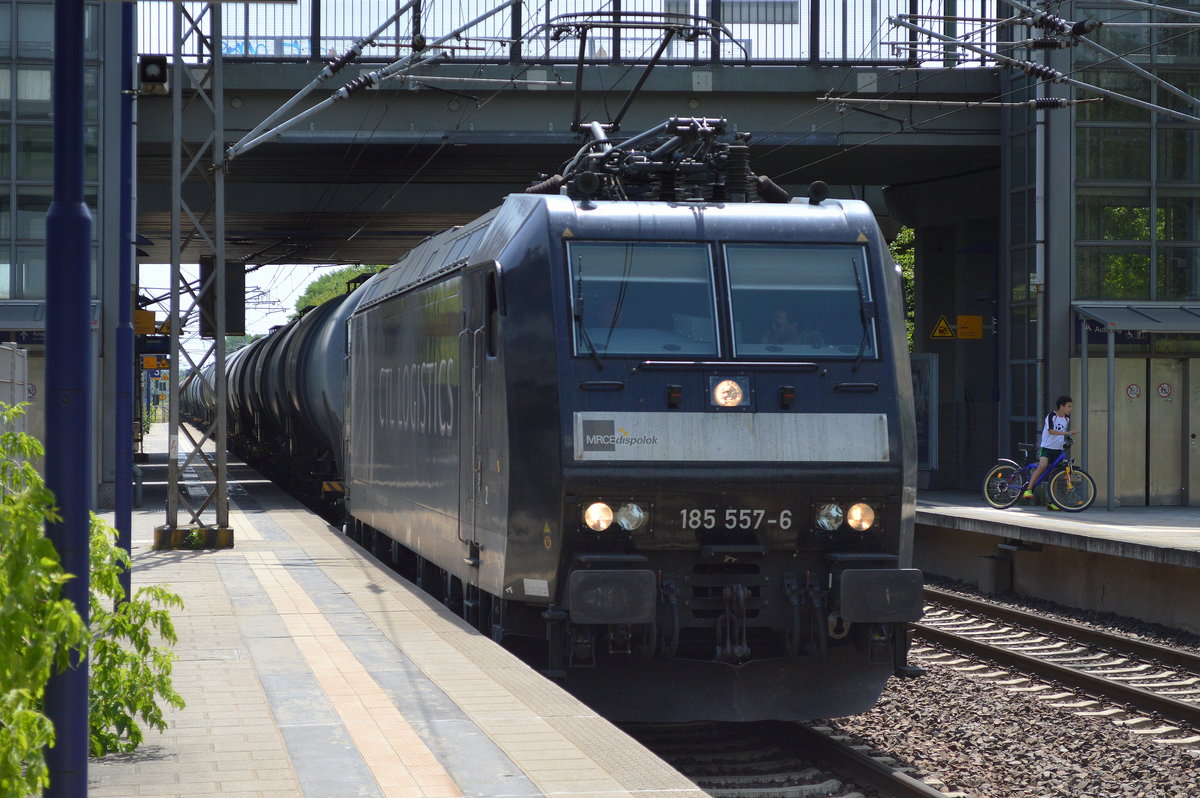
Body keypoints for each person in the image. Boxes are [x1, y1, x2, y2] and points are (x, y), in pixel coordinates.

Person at [1023, 395, 1078, 507]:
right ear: (1062, 406)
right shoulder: (1052, 416)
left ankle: (1052, 502)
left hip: (1058, 449)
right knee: (1042, 466)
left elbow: (1062, 433)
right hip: (1047, 447)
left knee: (1055, 476)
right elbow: (1052, 431)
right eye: (1069, 406)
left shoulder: (1067, 419)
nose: (1070, 409)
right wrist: (1067, 433)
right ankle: (1028, 489)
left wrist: (1067, 438)